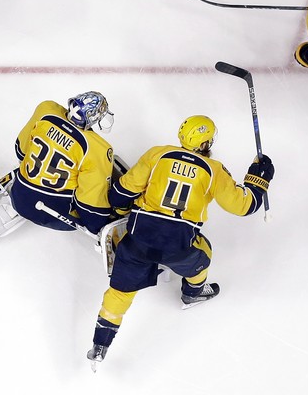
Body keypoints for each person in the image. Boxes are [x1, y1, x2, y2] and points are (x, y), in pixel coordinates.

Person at [85, 115, 273, 370]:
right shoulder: (214, 170)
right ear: (207, 142)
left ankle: (100, 345)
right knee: (203, 254)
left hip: (138, 240)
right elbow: (244, 206)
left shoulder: (157, 154)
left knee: (119, 294)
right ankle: (192, 294)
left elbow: (121, 194)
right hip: (177, 248)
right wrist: (258, 178)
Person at [0, 91, 117, 248]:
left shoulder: (46, 110)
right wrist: (98, 225)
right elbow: (89, 205)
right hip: (56, 215)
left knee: (24, 177)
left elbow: (21, 150)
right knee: (80, 195)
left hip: (19, 196)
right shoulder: (98, 150)